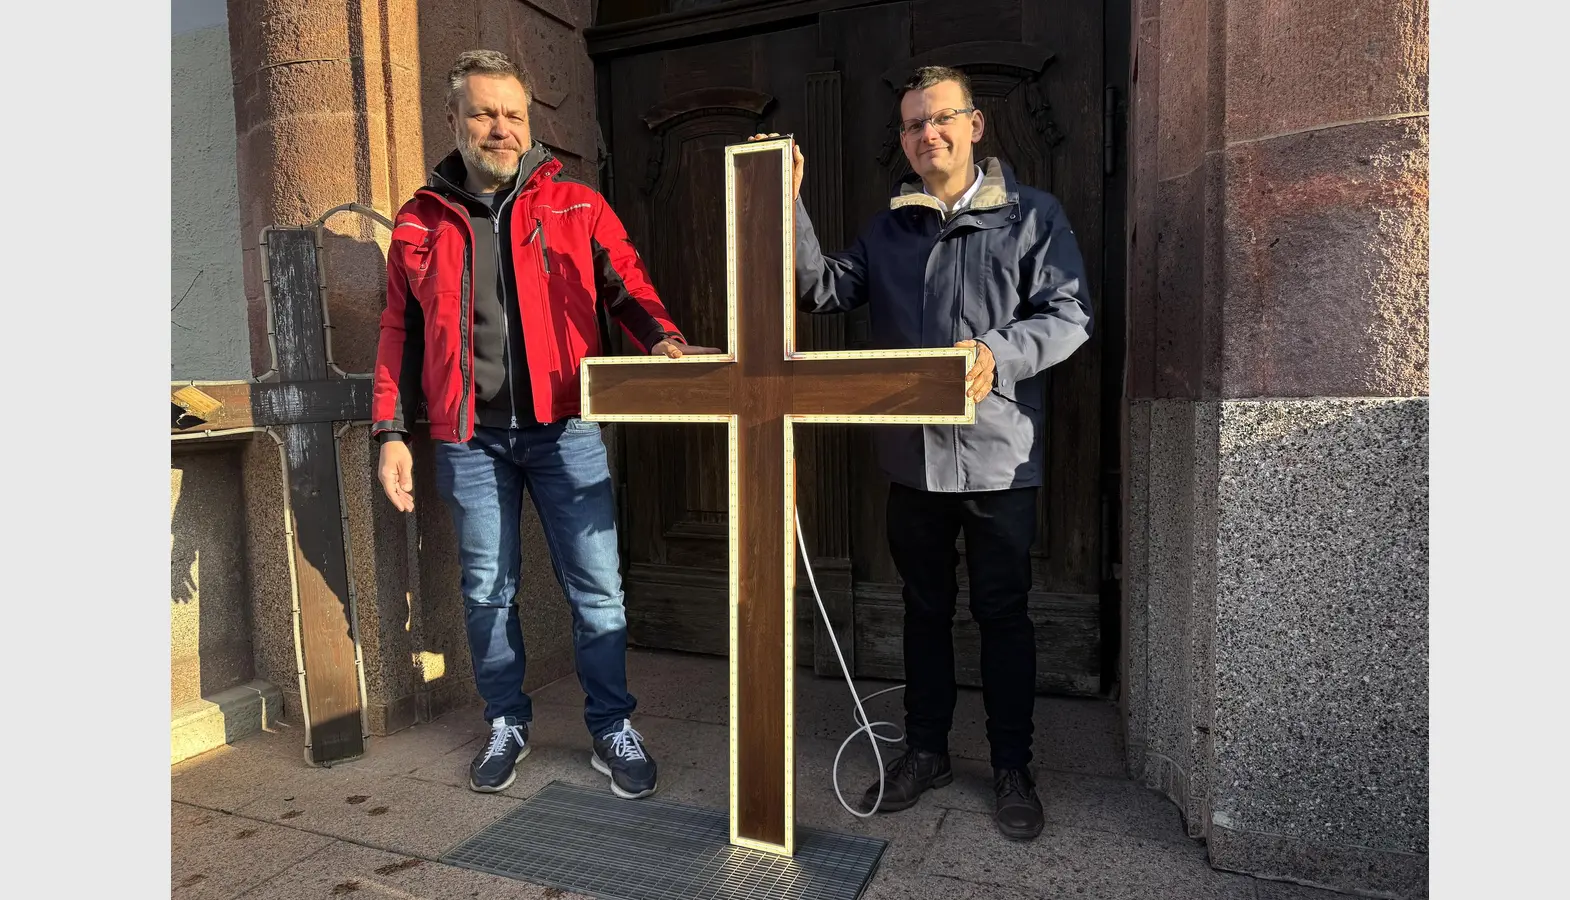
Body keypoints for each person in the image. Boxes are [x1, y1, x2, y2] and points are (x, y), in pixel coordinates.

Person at [752, 64, 1092, 841]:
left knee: (1003, 613)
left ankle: (1012, 765)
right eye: (912, 125)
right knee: (923, 611)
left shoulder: (1034, 217)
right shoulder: (890, 226)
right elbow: (824, 291)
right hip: (914, 461)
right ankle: (928, 750)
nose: (927, 135)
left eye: (940, 119)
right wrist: (785, 205)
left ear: (975, 125)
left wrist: (998, 352)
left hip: (1000, 458)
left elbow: (1070, 315)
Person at [372, 49, 716, 797]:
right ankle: (507, 720)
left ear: (530, 122)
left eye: (514, 114)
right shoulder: (419, 219)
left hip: (568, 431)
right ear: (455, 120)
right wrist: (390, 433)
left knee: (598, 590)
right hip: (469, 436)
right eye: (485, 113)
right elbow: (396, 330)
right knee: (487, 591)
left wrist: (662, 338)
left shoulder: (575, 204)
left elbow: (628, 286)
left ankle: (611, 726)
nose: (502, 128)